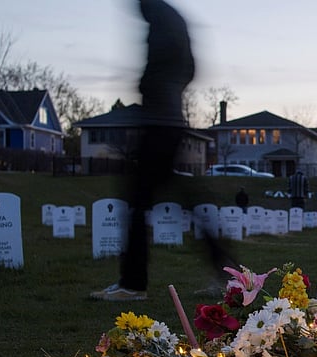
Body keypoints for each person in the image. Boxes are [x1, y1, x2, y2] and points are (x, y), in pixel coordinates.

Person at [91, 0, 232, 301]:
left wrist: (149, 86)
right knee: (183, 197)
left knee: (137, 202)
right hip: (167, 120)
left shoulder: (160, 16)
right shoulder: (170, 16)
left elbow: (166, 63)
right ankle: (227, 272)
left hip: (158, 122)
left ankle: (133, 283)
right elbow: (190, 68)